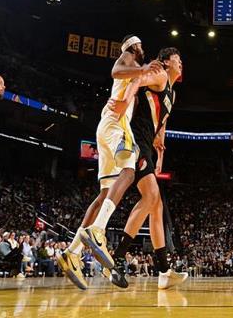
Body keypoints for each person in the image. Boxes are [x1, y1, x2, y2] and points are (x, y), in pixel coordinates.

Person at [57, 35, 162, 290]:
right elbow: (116, 70)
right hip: (116, 126)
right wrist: (143, 69)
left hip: (107, 127)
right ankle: (98, 230)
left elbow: (126, 91)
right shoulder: (128, 57)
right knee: (129, 170)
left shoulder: (134, 75)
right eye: (140, 46)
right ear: (132, 46)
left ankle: (72, 252)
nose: (143, 49)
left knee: (104, 194)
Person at [87, 47, 188, 290]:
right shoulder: (160, 74)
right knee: (151, 197)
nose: (181, 63)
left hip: (147, 143)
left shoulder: (172, 93)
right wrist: (124, 102)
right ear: (166, 62)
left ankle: (164, 271)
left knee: (157, 205)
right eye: (177, 59)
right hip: (136, 139)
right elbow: (138, 80)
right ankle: (118, 259)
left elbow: (162, 121)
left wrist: (160, 148)